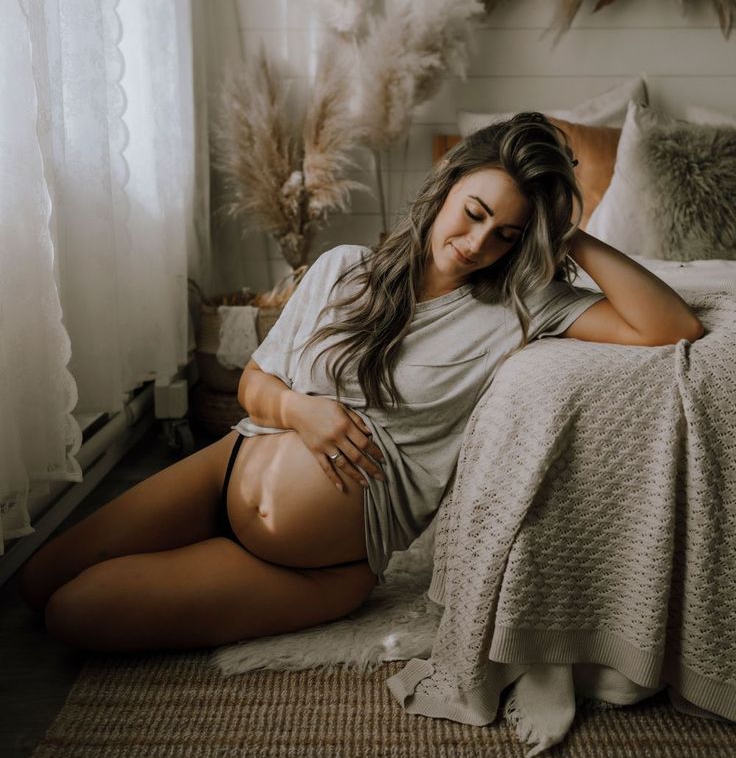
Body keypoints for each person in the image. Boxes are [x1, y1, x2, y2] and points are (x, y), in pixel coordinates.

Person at [18, 113, 704, 653]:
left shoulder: (523, 310)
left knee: (73, 612)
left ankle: (207, 572)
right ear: (447, 185)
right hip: (227, 467)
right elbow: (257, 382)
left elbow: (669, 326)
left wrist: (569, 234)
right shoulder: (344, 268)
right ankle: (197, 559)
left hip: (316, 566)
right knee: (35, 581)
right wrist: (300, 411)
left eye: (506, 235)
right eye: (474, 213)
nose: (477, 244)